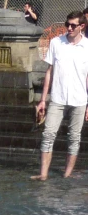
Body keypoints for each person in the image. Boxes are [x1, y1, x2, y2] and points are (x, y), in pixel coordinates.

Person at [31, 12, 88, 180]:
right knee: (48, 133)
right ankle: (43, 174)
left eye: (73, 25)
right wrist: (43, 100)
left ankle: (67, 174)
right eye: (67, 24)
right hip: (58, 97)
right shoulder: (56, 43)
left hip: (79, 99)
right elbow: (49, 72)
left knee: (74, 137)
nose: (69, 28)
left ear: (81, 27)